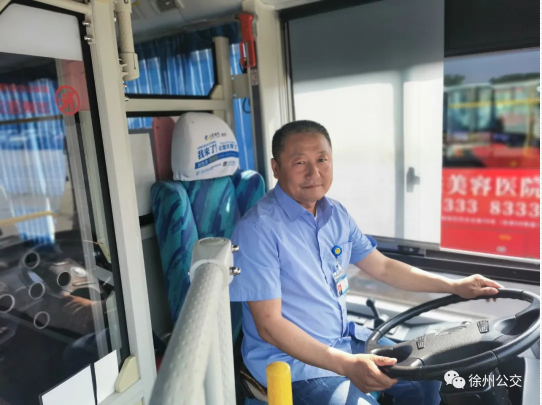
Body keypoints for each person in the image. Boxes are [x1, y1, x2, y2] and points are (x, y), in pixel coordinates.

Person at [229, 120, 503, 405]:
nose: (314, 172)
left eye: (322, 160)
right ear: (276, 168)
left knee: (426, 380)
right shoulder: (257, 230)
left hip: (342, 340)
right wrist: (346, 364)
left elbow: (383, 267)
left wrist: (455, 286)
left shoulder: (336, 214)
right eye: (300, 162)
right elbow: (269, 325)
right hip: (290, 362)